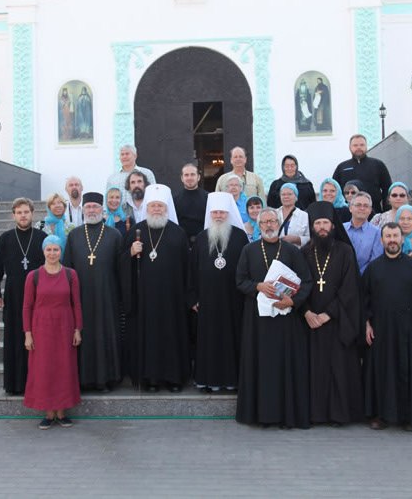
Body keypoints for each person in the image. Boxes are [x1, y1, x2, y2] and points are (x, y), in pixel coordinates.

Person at [235, 208, 313, 429]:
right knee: (260, 366)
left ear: (279, 223)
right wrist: (257, 286)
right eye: (265, 222)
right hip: (257, 321)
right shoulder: (249, 250)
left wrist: (293, 302)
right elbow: (240, 280)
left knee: (283, 367)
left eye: (272, 221)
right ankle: (260, 415)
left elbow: (306, 282)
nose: (269, 225)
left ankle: (285, 416)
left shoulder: (292, 251)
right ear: (259, 226)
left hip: (285, 321)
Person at [363, 223, 412, 430]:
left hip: (409, 330)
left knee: (408, 373)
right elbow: (364, 299)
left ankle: (409, 418)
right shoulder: (373, 268)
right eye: (388, 236)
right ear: (382, 240)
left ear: (402, 239)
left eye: (395, 235)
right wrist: (366, 324)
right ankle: (381, 416)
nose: (392, 239)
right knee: (381, 373)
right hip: (381, 330)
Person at [301, 202, 364, 425]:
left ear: (333, 225)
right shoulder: (304, 252)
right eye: (317, 223)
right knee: (315, 369)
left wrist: (328, 314)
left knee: (339, 369)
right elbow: (299, 286)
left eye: (325, 222)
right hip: (310, 324)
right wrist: (307, 312)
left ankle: (340, 415)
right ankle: (315, 414)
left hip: (338, 322)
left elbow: (350, 288)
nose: (321, 227)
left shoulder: (345, 251)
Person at [123, 184, 190, 392]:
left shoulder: (178, 233)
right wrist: (130, 254)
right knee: (148, 338)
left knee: (172, 336)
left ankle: (174, 379)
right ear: (147, 208)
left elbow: (187, 268)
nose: (157, 210)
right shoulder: (136, 231)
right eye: (153, 206)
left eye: (160, 206)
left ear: (167, 207)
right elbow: (121, 264)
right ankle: (150, 378)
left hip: (172, 299)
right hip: (144, 300)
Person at [189, 192, 248, 392]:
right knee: (209, 340)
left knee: (233, 338)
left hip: (234, 299)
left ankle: (232, 380)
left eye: (223, 212)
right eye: (215, 212)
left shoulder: (240, 237)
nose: (219, 216)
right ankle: (208, 379)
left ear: (229, 213)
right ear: (210, 214)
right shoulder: (200, 238)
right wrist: (193, 298)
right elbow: (192, 270)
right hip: (207, 300)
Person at [63, 192, 123, 391]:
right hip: (81, 297)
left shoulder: (114, 235)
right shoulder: (74, 235)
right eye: (88, 207)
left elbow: (120, 268)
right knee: (83, 335)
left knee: (105, 335)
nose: (91, 210)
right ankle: (82, 379)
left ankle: (106, 379)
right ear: (84, 210)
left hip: (107, 296)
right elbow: (68, 268)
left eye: (95, 207)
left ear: (101, 209)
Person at [23, 235, 83, 430]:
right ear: (43, 251)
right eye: (48, 249)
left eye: (56, 249)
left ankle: (62, 412)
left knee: (64, 368)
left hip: (65, 327)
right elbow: (27, 307)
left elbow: (77, 304)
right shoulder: (34, 276)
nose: (52, 253)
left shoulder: (70, 274)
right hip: (41, 328)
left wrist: (77, 329)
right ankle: (48, 413)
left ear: (61, 251)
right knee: (44, 369)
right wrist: (28, 333)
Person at [0, 198, 47, 395]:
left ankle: (37, 383)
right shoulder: (5, 238)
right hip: (14, 295)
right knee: (15, 339)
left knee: (37, 340)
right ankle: (15, 384)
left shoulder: (41, 237)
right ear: (13, 215)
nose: (23, 215)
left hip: (39, 295)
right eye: (19, 212)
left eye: (26, 211)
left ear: (32, 213)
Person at [332, 134, 392, 216]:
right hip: (347, 213)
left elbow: (387, 189)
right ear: (350, 147)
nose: (359, 147)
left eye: (362, 145)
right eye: (355, 145)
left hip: (374, 211)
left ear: (366, 146)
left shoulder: (378, 165)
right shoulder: (342, 167)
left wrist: (387, 212)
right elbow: (334, 190)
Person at [343, 192, 383, 275]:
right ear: (350, 208)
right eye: (358, 205)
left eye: (366, 206)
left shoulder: (377, 233)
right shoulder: (341, 229)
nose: (362, 208)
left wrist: (357, 275)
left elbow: (375, 261)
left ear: (370, 210)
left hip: (364, 279)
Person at [173, 163, 209, 247]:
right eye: (186, 175)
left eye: (192, 174)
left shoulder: (208, 197)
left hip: (204, 243)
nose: (189, 178)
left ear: (198, 177)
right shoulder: (174, 199)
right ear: (182, 178)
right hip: (182, 244)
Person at [276, 183, 310, 248]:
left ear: (296, 196)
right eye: (283, 194)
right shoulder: (274, 213)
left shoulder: (304, 216)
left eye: (290, 194)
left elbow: (309, 237)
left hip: (297, 253)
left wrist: (296, 239)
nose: (286, 197)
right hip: (277, 252)